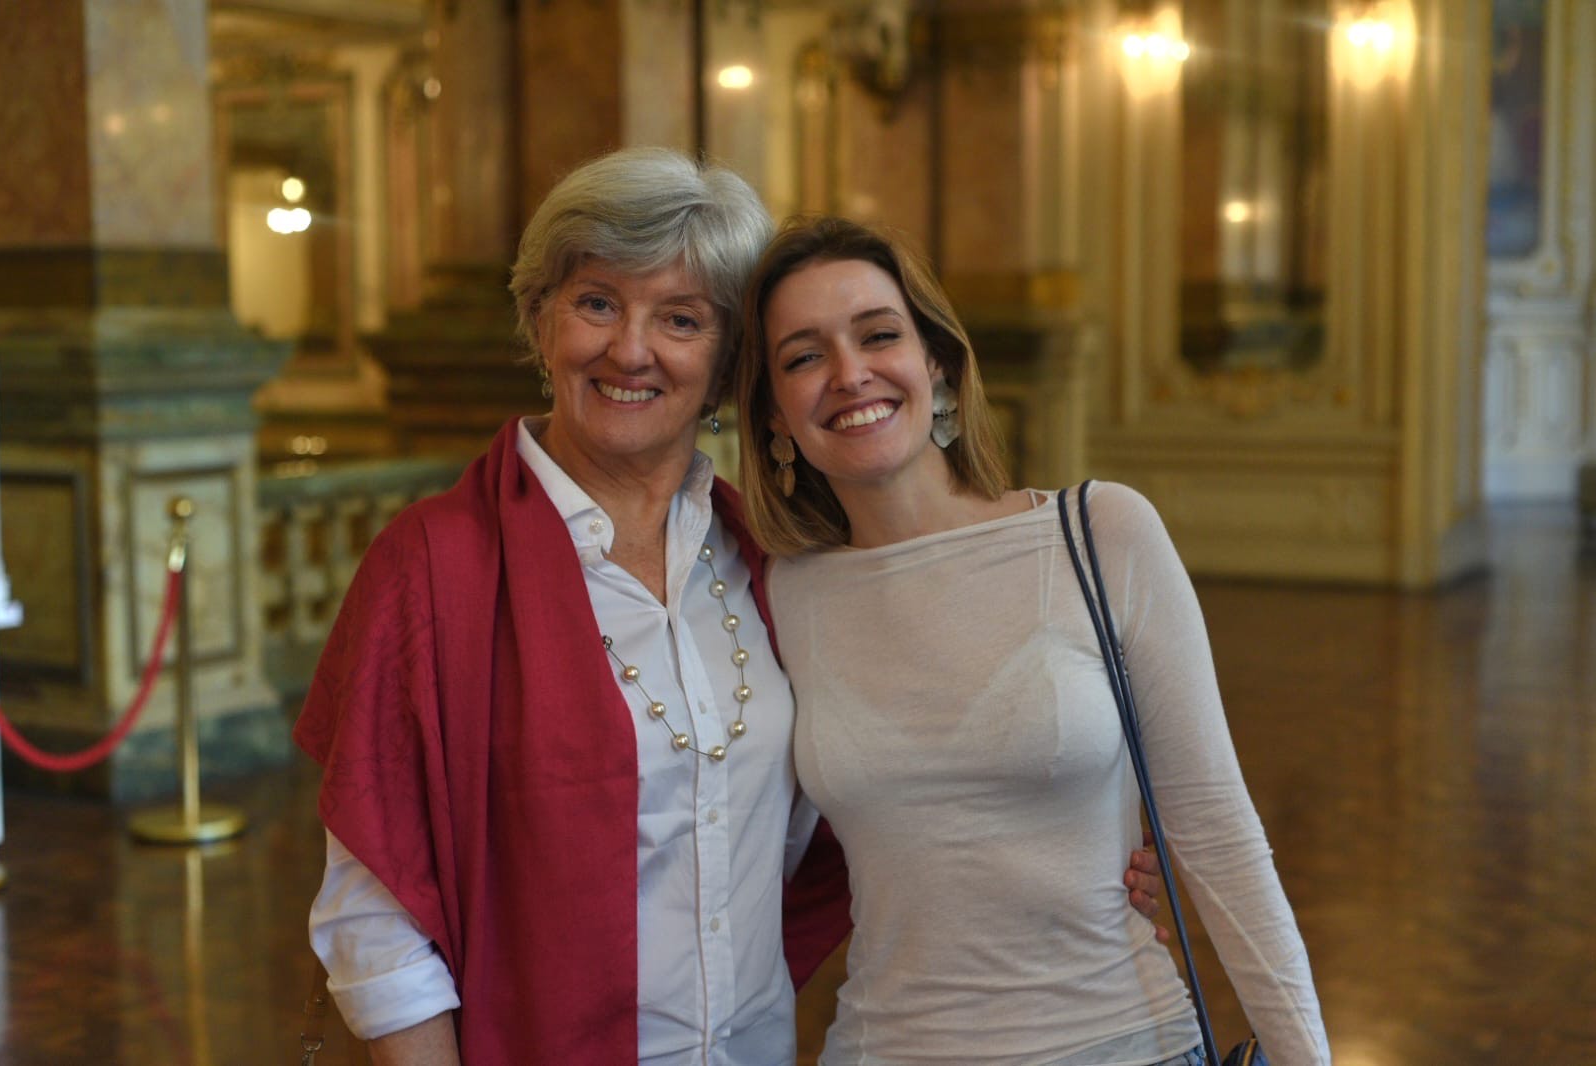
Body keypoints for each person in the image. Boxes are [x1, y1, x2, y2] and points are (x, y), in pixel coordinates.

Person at [294, 149, 1166, 1065]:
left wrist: (1076, 847)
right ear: (539, 320)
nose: (630, 350)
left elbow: (897, 786)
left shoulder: (771, 562)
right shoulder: (435, 565)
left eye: (681, 318)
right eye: (596, 302)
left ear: (726, 367)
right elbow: (376, 918)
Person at [735, 215, 1332, 1066]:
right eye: (803, 357)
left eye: (878, 335)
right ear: (772, 411)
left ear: (938, 363)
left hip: (1127, 1043)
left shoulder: (1100, 533)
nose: (848, 373)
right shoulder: (778, 594)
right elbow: (741, 848)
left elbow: (1216, 830)